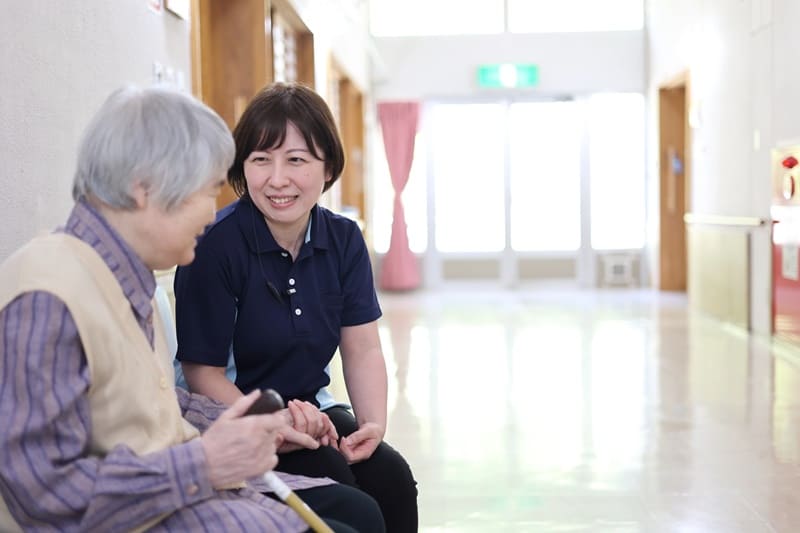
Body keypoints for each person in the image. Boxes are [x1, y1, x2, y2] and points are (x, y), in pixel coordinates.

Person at [0, 85, 384, 533]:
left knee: (364, 510)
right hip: (147, 511)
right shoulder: (50, 296)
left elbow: (160, 403)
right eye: (206, 192)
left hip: (170, 489)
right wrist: (203, 462)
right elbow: (42, 494)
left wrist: (266, 423)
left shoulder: (122, 278)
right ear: (144, 189)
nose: (210, 215)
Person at [173, 81, 419, 532]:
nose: (277, 179)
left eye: (297, 160)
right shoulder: (215, 245)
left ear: (328, 168)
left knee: (391, 476)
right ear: (241, 167)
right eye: (261, 160)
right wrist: (276, 420)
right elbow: (200, 374)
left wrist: (372, 425)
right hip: (232, 413)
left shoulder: (343, 239)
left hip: (313, 406)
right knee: (339, 481)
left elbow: (362, 348)